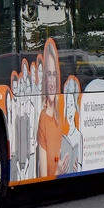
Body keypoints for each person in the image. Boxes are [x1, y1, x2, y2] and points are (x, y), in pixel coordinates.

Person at [37, 40, 64, 178]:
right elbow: (43, 176)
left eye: (54, 74)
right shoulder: (43, 119)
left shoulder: (61, 117)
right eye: (49, 74)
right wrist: (59, 172)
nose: (52, 82)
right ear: (45, 80)